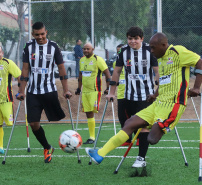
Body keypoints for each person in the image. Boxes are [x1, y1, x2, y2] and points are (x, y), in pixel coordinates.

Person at [85, 32, 202, 166]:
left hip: (173, 104)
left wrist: (197, 87)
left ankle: (149, 145)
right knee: (130, 123)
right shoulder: (161, 58)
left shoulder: (178, 51)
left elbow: (200, 62)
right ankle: (100, 154)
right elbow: (164, 81)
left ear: (164, 45)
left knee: (152, 138)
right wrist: (155, 95)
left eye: (153, 47)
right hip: (158, 103)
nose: (151, 51)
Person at [17, 22, 72, 163]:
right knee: (33, 123)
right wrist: (21, 91)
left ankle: (70, 140)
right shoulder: (29, 47)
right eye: (37, 34)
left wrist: (66, 90)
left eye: (42, 34)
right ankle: (47, 147)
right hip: (33, 92)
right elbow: (24, 69)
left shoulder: (54, 47)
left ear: (46, 32)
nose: (40, 37)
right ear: (32, 34)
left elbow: (61, 69)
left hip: (49, 91)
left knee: (58, 118)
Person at [110, 27, 159, 168]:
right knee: (128, 125)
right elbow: (117, 72)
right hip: (129, 96)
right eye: (130, 39)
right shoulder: (123, 51)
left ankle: (141, 158)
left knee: (144, 126)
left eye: (136, 39)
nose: (133, 42)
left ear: (142, 39)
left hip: (147, 96)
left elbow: (157, 72)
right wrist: (112, 92)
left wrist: (159, 89)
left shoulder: (150, 51)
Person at [75, 43, 111, 144]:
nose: (86, 50)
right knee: (88, 113)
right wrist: (79, 88)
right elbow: (80, 75)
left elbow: (107, 73)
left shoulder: (98, 59)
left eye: (88, 49)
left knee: (91, 111)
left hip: (95, 90)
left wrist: (108, 87)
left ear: (93, 49)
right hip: (85, 91)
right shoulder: (82, 60)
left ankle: (92, 137)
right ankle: (92, 137)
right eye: (84, 49)